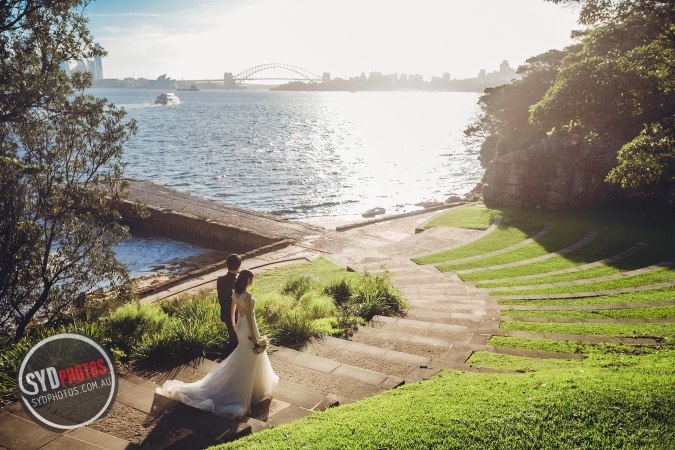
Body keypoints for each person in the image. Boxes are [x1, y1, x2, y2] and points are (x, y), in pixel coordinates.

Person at [156, 270, 279, 419]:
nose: (252, 281)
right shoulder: (247, 296)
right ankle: (248, 390)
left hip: (240, 327)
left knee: (245, 355)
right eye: (251, 279)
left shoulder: (235, 292)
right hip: (248, 328)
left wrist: (234, 325)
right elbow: (248, 317)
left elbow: (232, 310)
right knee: (251, 356)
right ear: (247, 280)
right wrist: (254, 338)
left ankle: (251, 389)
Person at [217, 254, 241, 352]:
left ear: (226, 265)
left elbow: (221, 296)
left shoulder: (220, 279)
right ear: (239, 266)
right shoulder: (237, 281)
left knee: (233, 338)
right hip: (236, 315)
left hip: (225, 313)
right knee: (237, 341)